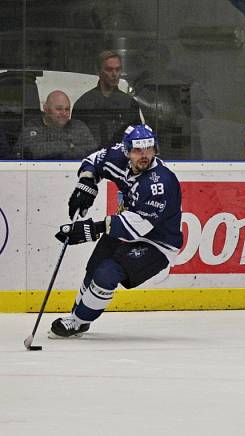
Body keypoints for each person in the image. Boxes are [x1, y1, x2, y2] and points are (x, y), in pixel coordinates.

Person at [48, 124, 182, 338]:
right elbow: (95, 161)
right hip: (125, 228)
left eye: (149, 149)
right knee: (94, 266)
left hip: (157, 243)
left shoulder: (161, 182)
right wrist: (87, 182)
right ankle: (77, 316)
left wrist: (92, 228)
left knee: (107, 273)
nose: (144, 155)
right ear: (127, 151)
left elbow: (139, 226)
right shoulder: (118, 157)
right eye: (138, 150)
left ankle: (79, 320)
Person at [72, 50, 142, 147]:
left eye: (118, 69)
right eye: (109, 70)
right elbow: (75, 139)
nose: (114, 74)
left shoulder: (130, 103)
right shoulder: (84, 103)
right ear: (98, 71)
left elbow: (138, 137)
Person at [12, 90, 96, 160]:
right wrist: (69, 145)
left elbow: (94, 152)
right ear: (46, 109)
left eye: (67, 109)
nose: (64, 113)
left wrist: (55, 150)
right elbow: (28, 153)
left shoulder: (78, 127)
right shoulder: (32, 127)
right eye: (59, 109)